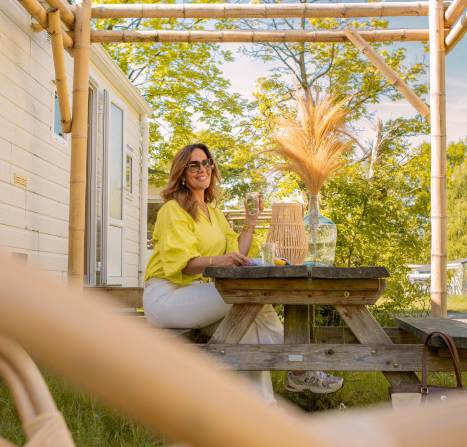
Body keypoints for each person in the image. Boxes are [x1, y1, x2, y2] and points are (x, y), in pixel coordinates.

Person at [143, 143, 343, 404]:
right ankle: (299, 369)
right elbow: (185, 264)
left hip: (196, 296)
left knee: (247, 326)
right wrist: (220, 260)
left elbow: (237, 253)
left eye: (207, 163)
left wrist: (250, 221)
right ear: (182, 173)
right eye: (194, 165)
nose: (202, 169)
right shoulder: (173, 210)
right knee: (249, 297)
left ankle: (265, 408)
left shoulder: (214, 213)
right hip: (167, 298)